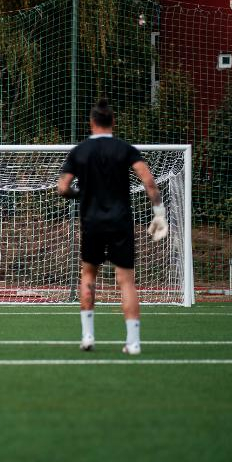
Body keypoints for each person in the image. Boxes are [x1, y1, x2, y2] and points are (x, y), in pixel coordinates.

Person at [57, 99, 168, 355]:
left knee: (88, 276)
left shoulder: (80, 151)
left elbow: (62, 188)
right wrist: (159, 214)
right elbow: (149, 181)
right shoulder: (125, 149)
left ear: (91, 122)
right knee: (126, 281)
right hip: (121, 222)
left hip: (92, 223)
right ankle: (134, 342)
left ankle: (87, 337)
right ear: (112, 123)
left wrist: (81, 193)